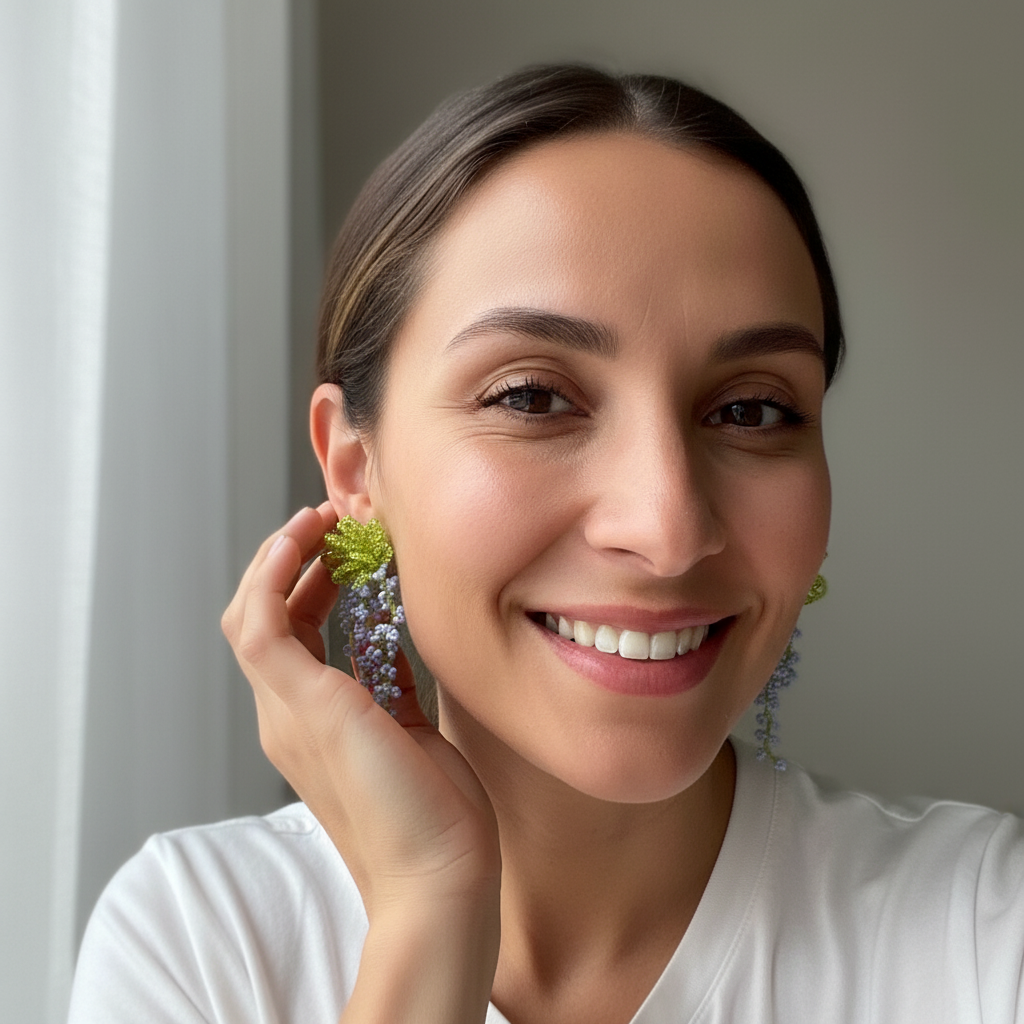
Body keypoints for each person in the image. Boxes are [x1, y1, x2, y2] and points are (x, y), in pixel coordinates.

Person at [68, 64, 1023, 1024]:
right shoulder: (196, 944)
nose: (667, 526)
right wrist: (427, 913)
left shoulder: (986, 934)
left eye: (752, 409)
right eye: (531, 397)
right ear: (357, 471)